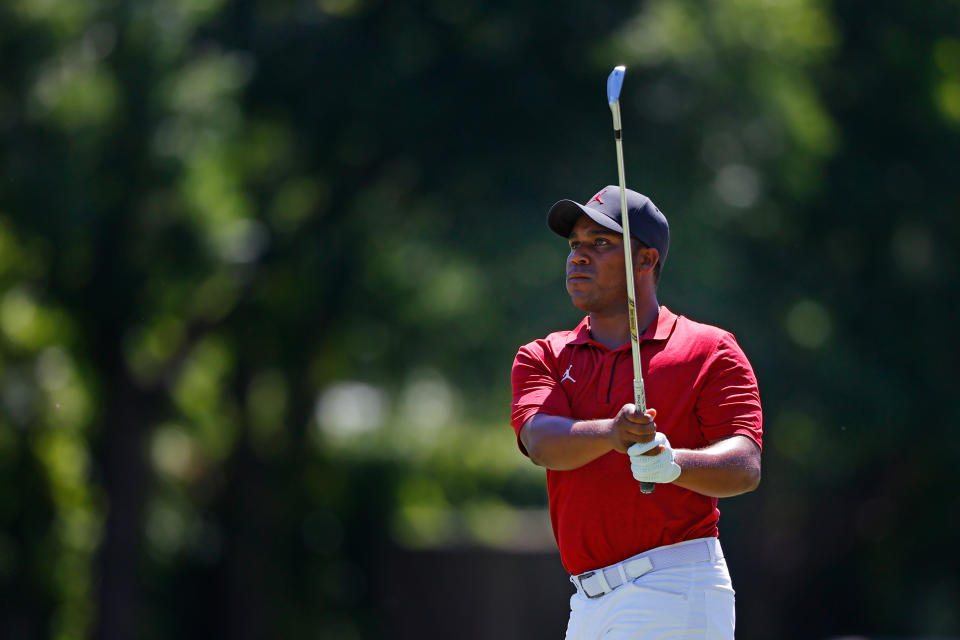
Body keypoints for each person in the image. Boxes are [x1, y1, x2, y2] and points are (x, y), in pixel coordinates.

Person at [510, 186, 762, 639]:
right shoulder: (543, 356)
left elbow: (744, 465)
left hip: (673, 586)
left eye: (601, 243)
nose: (579, 257)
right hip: (587, 602)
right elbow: (541, 442)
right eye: (574, 245)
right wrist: (613, 433)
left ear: (646, 261)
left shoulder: (709, 350)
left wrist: (672, 464)